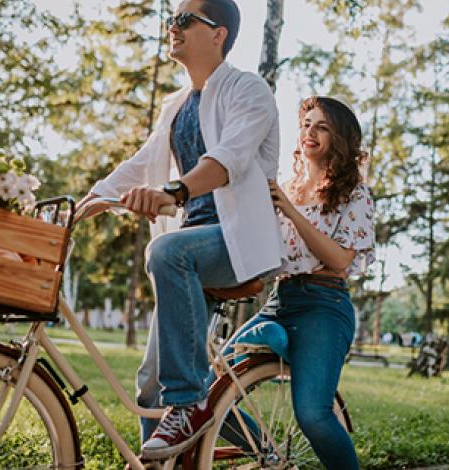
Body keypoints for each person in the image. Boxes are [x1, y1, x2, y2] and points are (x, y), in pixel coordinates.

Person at [78, 0, 284, 460]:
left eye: (185, 19)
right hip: (194, 243)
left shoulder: (248, 90)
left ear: (219, 35)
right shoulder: (176, 105)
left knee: (169, 253)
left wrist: (174, 192)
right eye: (171, 19)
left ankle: (189, 404)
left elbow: (228, 158)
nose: (174, 27)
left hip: (237, 242)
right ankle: (260, 451)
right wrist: (88, 202)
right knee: (150, 386)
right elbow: (140, 163)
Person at [223, 96, 375, 470]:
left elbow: (340, 259)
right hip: (280, 298)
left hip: (324, 305)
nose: (310, 132)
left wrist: (289, 209)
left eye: (321, 126)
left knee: (313, 415)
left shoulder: (354, 193)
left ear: (339, 138)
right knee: (206, 390)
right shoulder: (284, 185)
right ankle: (267, 452)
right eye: (307, 123)